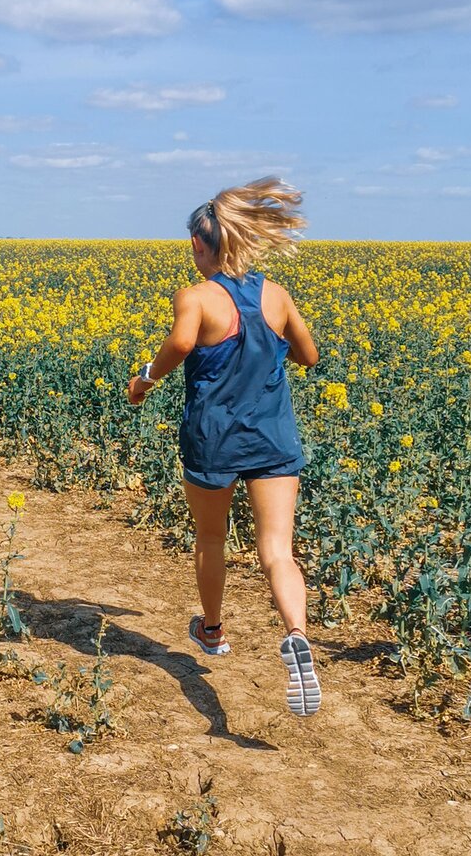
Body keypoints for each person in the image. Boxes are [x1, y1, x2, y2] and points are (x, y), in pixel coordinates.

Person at [127, 176, 322, 717]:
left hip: (213, 442)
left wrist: (146, 378)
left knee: (211, 539)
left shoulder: (195, 297)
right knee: (277, 549)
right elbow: (309, 356)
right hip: (274, 440)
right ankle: (297, 634)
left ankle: (211, 630)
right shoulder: (276, 295)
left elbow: (183, 342)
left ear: (197, 245)